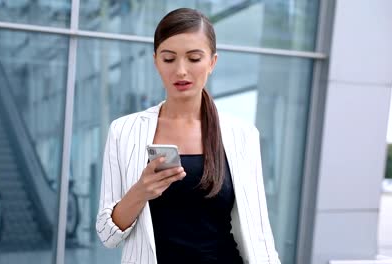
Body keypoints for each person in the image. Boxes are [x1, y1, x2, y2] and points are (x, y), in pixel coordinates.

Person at [96, 8, 281, 264]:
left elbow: (259, 232)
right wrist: (141, 191)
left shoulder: (242, 135)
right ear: (156, 61)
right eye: (169, 59)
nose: (181, 71)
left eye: (194, 58)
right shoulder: (124, 131)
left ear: (212, 62)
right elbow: (107, 235)